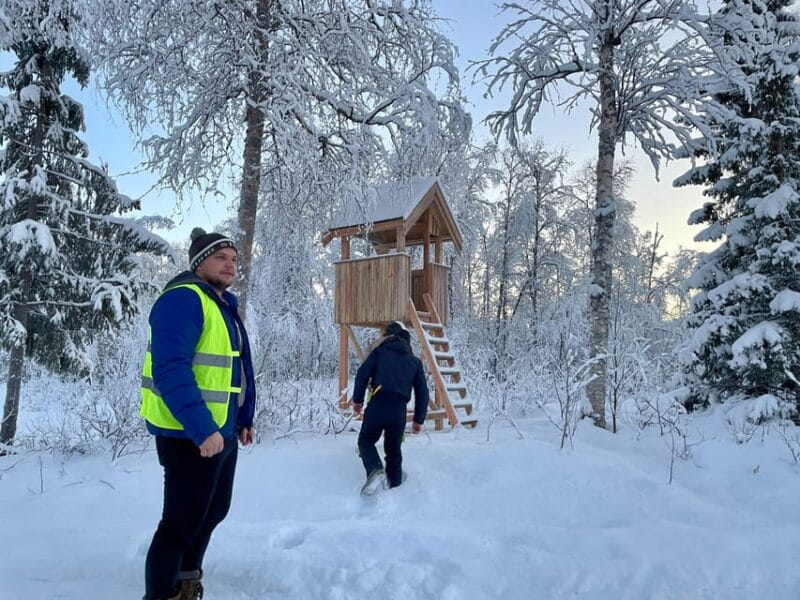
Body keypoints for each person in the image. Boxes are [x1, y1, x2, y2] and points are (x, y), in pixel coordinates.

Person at [140, 228, 256, 600]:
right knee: (179, 524)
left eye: (234, 259)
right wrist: (202, 428)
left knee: (212, 512)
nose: (230, 265)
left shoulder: (222, 305)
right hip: (189, 434)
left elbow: (236, 368)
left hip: (220, 432)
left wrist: (243, 418)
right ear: (198, 262)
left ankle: (185, 582)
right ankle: (159, 594)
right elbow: (171, 368)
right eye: (221, 257)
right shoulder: (183, 299)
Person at [352, 321, 429, 494]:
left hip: (378, 404)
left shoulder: (379, 352)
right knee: (393, 450)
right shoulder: (415, 363)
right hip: (399, 411)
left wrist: (357, 401)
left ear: (389, 337)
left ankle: (375, 470)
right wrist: (419, 419)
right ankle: (396, 488)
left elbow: (362, 374)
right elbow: (422, 391)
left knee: (366, 441)